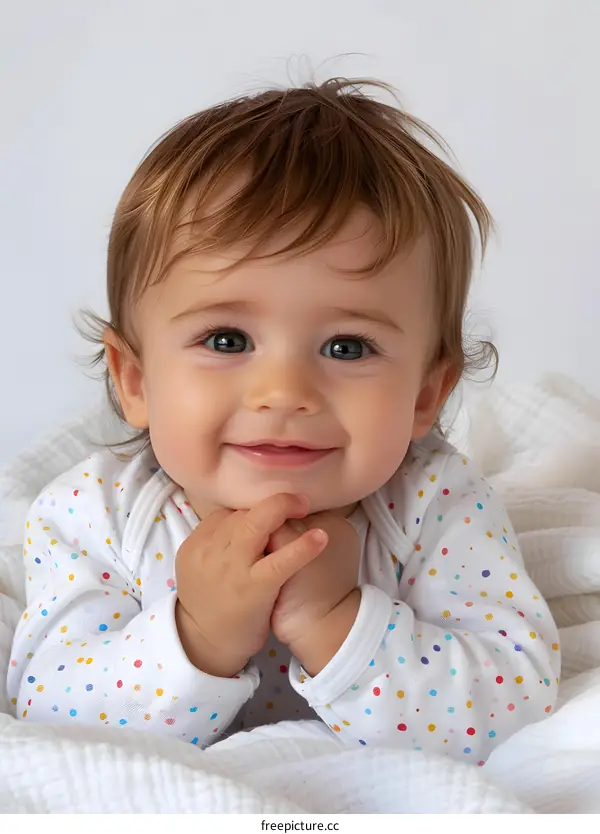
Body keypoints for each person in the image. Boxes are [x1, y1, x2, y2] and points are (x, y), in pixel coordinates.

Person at [7, 79, 560, 763]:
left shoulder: (436, 508)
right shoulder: (94, 517)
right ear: (136, 381)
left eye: (346, 347)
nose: (283, 392)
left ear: (427, 395)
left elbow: (513, 706)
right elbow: (52, 718)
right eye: (227, 340)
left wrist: (338, 623)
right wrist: (196, 634)